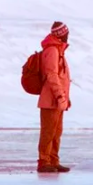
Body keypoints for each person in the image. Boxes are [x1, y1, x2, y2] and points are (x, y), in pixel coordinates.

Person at [37, 21, 72, 173]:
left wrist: (64, 97)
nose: (67, 36)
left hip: (58, 99)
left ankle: (53, 160)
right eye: (65, 33)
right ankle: (44, 161)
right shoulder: (52, 50)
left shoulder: (59, 50)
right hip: (51, 100)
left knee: (56, 132)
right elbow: (52, 75)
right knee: (48, 131)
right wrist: (59, 96)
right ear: (60, 34)